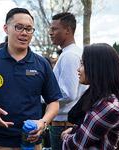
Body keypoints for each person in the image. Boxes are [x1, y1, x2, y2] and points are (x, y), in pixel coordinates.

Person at [0, 7, 62, 150]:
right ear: (6, 28)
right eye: (19, 27)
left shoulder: (41, 63)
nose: (24, 33)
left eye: (29, 29)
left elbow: (53, 102)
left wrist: (43, 122)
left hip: (31, 142)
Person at [61, 43, 119, 150]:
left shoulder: (109, 106)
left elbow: (75, 145)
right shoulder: (98, 96)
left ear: (96, 67)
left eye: (82, 64)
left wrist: (65, 137)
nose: (78, 69)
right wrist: (74, 131)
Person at [49, 12, 87, 150]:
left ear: (68, 31)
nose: (50, 33)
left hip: (64, 125)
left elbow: (68, 93)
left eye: (54, 29)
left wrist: (42, 97)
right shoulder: (72, 53)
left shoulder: (70, 55)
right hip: (67, 123)